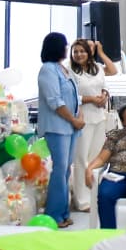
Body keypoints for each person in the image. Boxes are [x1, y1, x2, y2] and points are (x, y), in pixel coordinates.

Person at [36, 32, 81, 228]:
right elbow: (54, 100)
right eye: (64, 45)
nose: (66, 48)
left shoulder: (64, 69)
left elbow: (76, 96)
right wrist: (73, 119)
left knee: (66, 170)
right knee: (60, 170)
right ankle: (54, 214)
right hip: (57, 127)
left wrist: (79, 118)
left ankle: (63, 212)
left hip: (70, 126)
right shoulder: (47, 70)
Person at [69, 39, 117, 213]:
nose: (79, 54)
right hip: (82, 119)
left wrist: (104, 95)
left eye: (82, 51)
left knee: (96, 159)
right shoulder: (69, 71)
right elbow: (70, 95)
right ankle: (82, 201)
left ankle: (93, 195)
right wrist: (90, 99)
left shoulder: (96, 68)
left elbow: (105, 84)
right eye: (76, 52)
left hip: (99, 117)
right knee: (81, 159)